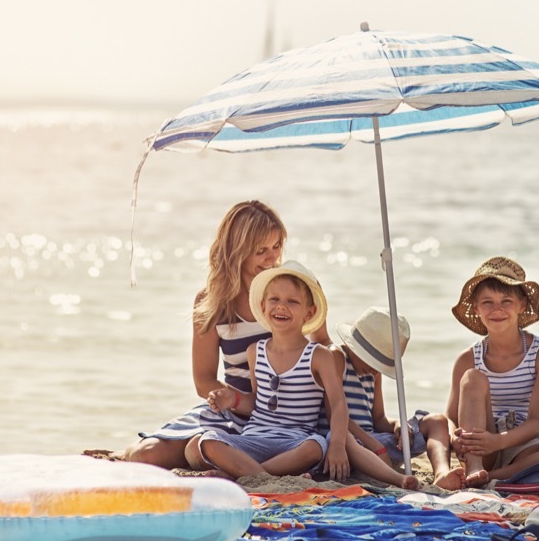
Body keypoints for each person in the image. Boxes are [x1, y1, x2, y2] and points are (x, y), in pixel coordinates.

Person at [121, 200, 326, 469]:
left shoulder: (293, 292)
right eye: (260, 251)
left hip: (288, 416)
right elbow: (203, 379)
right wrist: (236, 402)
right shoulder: (211, 301)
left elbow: (323, 348)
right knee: (145, 454)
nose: (272, 258)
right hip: (234, 409)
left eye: (276, 246)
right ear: (236, 252)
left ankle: (245, 465)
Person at [188, 261, 350, 480]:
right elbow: (257, 401)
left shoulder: (319, 356)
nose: (281, 306)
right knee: (206, 442)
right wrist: (233, 400)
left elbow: (338, 403)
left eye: (292, 301)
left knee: (316, 446)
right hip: (254, 438)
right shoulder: (255, 351)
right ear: (263, 307)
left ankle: (244, 475)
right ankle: (266, 476)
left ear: (309, 312)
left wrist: (338, 445)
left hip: (295, 441)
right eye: (274, 299)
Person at [440, 256, 539, 489]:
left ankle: (497, 475)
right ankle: (476, 468)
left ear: (522, 305)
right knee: (472, 378)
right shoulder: (468, 358)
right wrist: (457, 437)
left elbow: (537, 421)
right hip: (481, 445)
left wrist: (498, 442)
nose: (497, 309)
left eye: (506, 301)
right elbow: (451, 418)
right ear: (476, 308)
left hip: (525, 445)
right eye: (487, 302)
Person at [331, 307, 453, 490]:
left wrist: (398, 425)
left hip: (373, 442)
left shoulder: (373, 373)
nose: (375, 369)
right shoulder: (336, 358)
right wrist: (375, 446)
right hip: (346, 441)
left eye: (381, 365)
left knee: (437, 421)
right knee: (346, 439)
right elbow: (334, 412)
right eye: (372, 362)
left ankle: (442, 473)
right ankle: (395, 477)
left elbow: (379, 419)